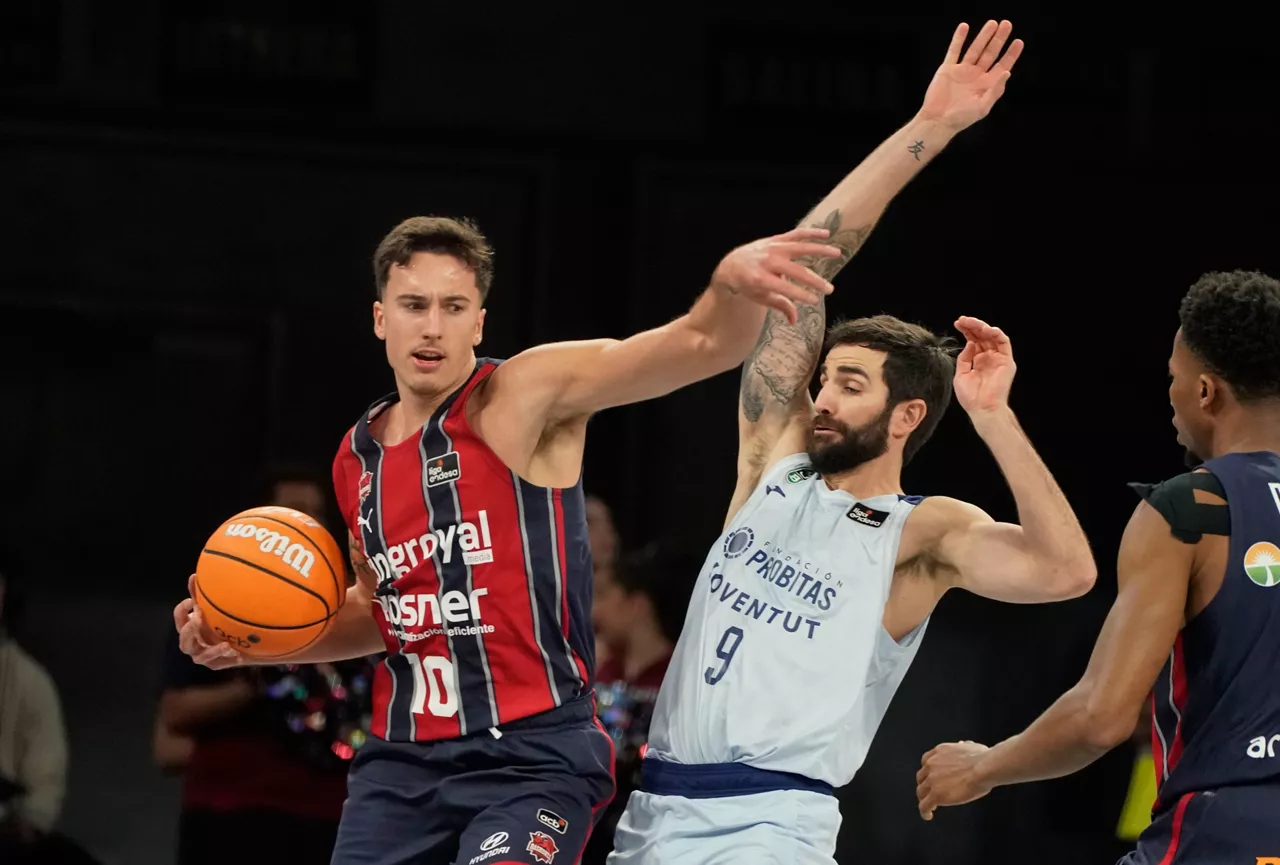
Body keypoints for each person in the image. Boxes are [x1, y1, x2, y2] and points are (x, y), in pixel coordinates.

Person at [173, 209, 844, 864]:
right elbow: (385, 617)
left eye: (453, 306)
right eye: (413, 304)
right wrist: (253, 641)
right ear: (381, 318)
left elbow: (704, 343)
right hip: (401, 768)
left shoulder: (524, 393)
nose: (432, 326)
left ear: (479, 320)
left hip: (531, 757)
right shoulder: (356, 458)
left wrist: (728, 288)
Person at [607, 20, 1098, 865]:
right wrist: (928, 128)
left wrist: (993, 416)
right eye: (825, 377)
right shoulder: (774, 461)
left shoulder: (922, 533)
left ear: (907, 416)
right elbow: (806, 264)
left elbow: (1068, 573)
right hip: (655, 808)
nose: (823, 397)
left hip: (770, 825)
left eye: (852, 385)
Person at [916, 270, 1280, 862]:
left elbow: (1100, 717)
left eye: (1173, 379)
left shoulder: (1194, 506)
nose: (1171, 397)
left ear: (1206, 392)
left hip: (1228, 830)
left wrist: (983, 766)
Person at [155, 468, 372, 865]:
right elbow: (171, 722)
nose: (305, 522)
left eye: (315, 512)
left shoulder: (351, 610)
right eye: (292, 509)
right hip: (234, 805)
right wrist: (258, 677)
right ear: (259, 524)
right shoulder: (215, 606)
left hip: (329, 810)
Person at [583, 544, 698, 865]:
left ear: (636, 605)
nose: (595, 612)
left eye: (605, 596)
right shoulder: (600, 670)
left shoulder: (681, 678)